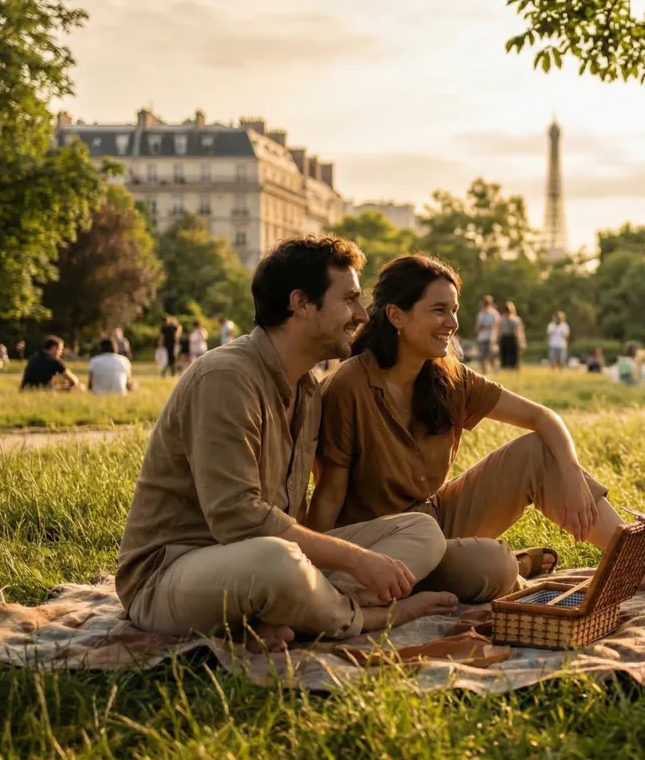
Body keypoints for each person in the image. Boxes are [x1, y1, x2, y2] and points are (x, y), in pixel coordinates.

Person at [310, 255, 645, 597]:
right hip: (379, 543)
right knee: (492, 566)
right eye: (438, 310)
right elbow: (328, 494)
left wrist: (570, 475)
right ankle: (514, 566)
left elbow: (543, 417)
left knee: (538, 450)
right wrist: (319, 571)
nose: (452, 323)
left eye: (454, 310)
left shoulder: (448, 377)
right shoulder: (349, 386)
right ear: (396, 316)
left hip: (435, 517)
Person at [117, 236, 462, 654]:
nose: (360, 315)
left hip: (262, 564)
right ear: (301, 303)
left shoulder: (308, 390)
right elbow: (238, 519)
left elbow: (290, 519)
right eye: (349, 299)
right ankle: (366, 617)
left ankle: (288, 614)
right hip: (171, 574)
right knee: (279, 563)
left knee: (421, 531)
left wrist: (349, 557)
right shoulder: (226, 378)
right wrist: (356, 559)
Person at [473, 296, 499, 375]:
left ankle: (496, 371)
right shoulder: (480, 314)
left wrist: (494, 339)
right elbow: (477, 327)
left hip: (490, 338)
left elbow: (496, 327)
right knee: (481, 357)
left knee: (492, 357)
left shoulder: (494, 314)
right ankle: (484, 372)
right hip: (482, 338)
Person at [497, 301, 524, 371]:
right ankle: (513, 368)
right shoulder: (516, 319)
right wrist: (521, 341)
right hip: (512, 338)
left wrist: (497, 339)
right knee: (512, 355)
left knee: (505, 355)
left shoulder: (501, 319)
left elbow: (499, 331)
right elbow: (519, 332)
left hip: (505, 338)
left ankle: (506, 368)